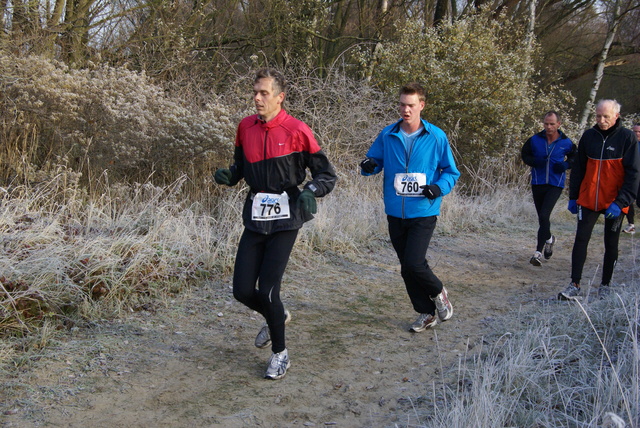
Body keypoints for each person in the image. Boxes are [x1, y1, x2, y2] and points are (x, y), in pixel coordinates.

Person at [214, 68, 337, 379]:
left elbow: (326, 175)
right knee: (242, 290)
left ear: (280, 98)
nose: (256, 98)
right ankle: (277, 316)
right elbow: (241, 165)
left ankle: (280, 354)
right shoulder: (245, 127)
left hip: (286, 217)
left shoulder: (297, 129)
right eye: (254, 92)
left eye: (263, 93)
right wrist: (232, 175)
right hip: (256, 215)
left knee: (268, 290)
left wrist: (311, 191)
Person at [360, 83, 460, 332]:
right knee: (407, 267)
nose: (405, 109)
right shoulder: (388, 134)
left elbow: (451, 171)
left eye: (411, 105)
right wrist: (369, 165)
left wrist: (438, 188)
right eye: (402, 104)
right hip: (395, 210)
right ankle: (426, 313)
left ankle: (439, 293)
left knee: (414, 263)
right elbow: (373, 162)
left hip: (423, 210)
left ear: (421, 106)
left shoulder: (436, 136)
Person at [558, 100, 640, 300]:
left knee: (611, 243)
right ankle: (574, 284)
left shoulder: (627, 138)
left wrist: (621, 203)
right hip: (589, 199)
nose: (601, 120)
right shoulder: (589, 136)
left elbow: (634, 175)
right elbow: (578, 169)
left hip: (615, 201)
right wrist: (574, 197)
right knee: (580, 239)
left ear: (616, 116)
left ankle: (605, 285)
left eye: (606, 117)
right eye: (598, 116)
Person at [521, 111, 577, 266]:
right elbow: (524, 154)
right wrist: (535, 161)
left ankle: (537, 253)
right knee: (542, 218)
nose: (548, 127)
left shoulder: (566, 142)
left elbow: (575, 157)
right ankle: (550, 239)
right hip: (538, 182)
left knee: (545, 215)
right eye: (546, 123)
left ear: (559, 124)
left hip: (555, 183)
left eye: (552, 124)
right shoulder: (534, 140)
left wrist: (566, 165)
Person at [622, 123, 640, 234]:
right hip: (630, 177)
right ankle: (631, 224)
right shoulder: (628, 144)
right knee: (628, 200)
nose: (637, 133)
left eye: (639, 131)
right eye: (635, 131)